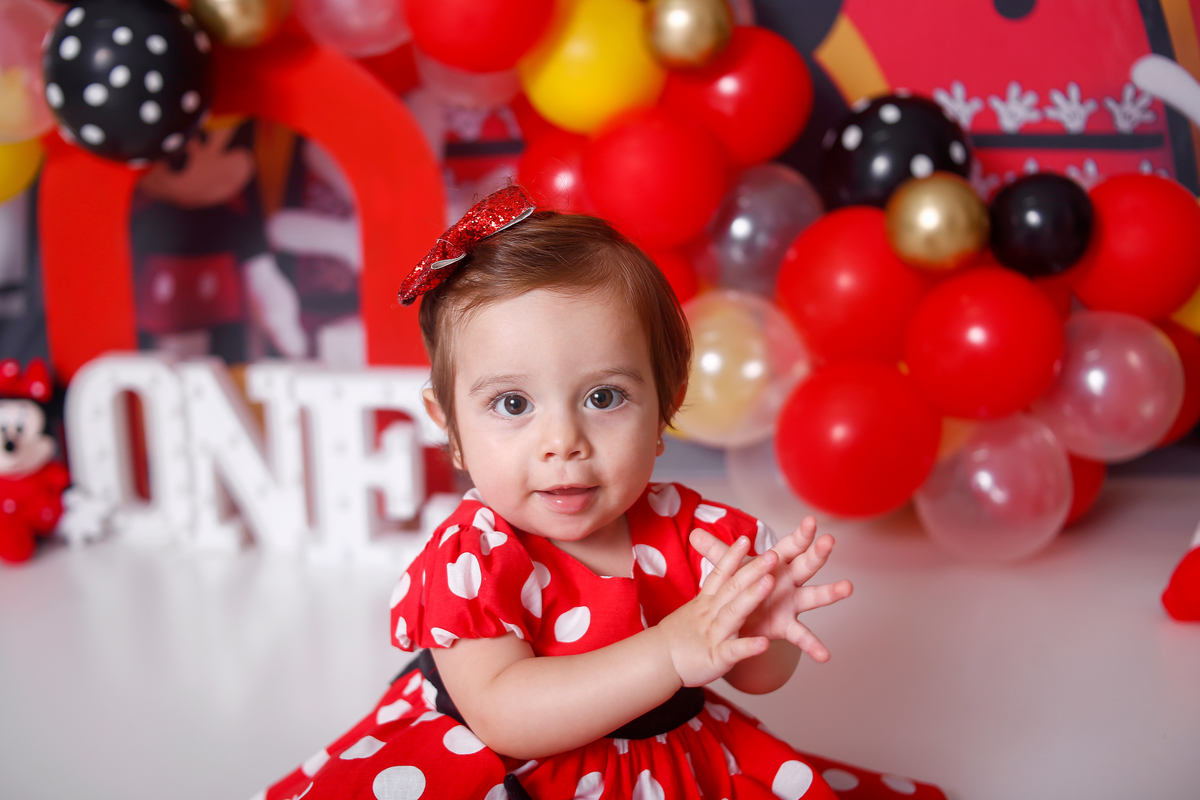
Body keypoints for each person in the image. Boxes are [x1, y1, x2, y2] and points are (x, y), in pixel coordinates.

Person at [259, 186, 945, 800]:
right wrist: (671, 652)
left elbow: (755, 676)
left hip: (663, 765)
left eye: (603, 396)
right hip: (503, 769)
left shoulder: (694, 530)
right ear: (451, 427)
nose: (563, 441)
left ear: (665, 408)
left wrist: (761, 635)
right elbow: (503, 712)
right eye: (512, 403)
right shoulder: (475, 555)